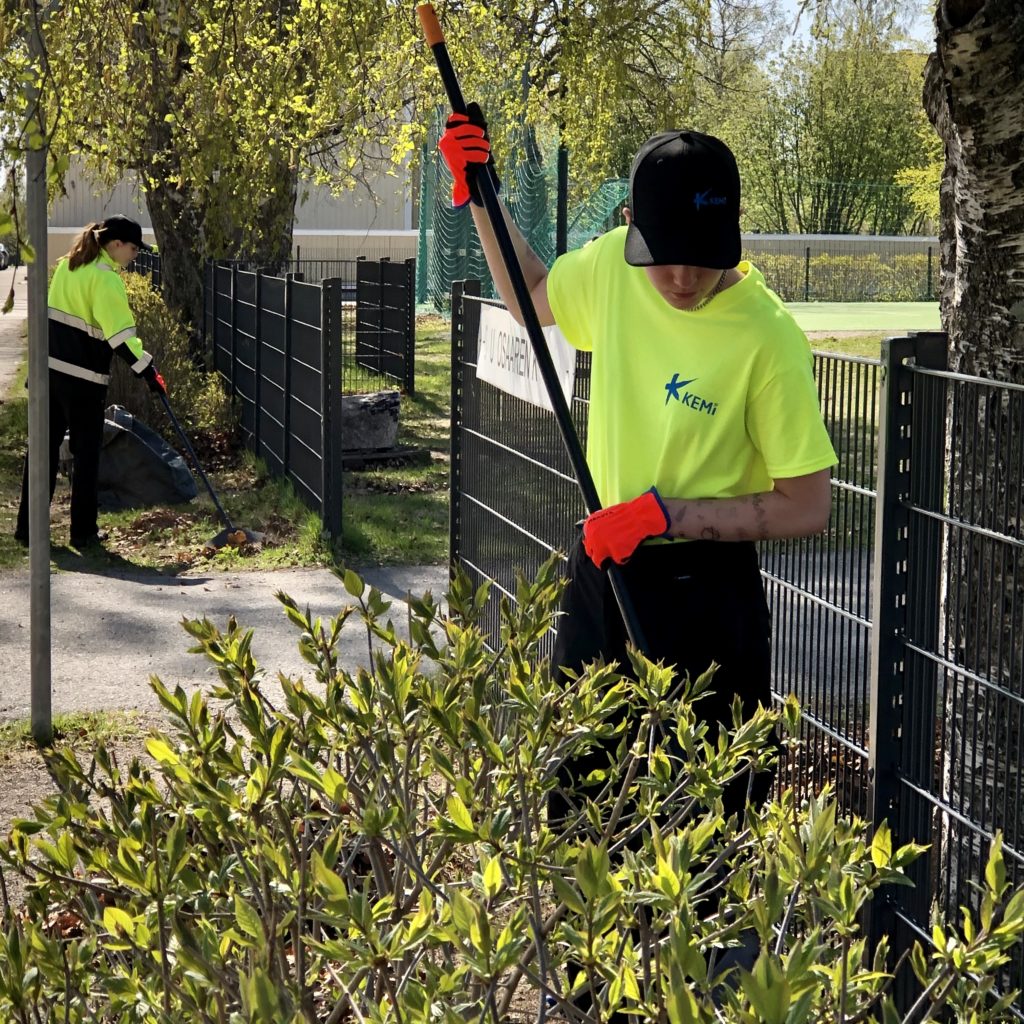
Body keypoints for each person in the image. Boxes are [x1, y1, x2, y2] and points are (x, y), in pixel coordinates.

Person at [438, 113, 839, 818]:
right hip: (604, 571)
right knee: (577, 796)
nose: (683, 276)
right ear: (631, 227)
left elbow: (806, 504)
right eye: (663, 253)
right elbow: (530, 297)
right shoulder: (610, 269)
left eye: (702, 254)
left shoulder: (768, 337)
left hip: (710, 597)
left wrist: (666, 516)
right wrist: (483, 194)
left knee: (706, 816)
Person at [15, 214, 166, 550]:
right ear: (115, 244)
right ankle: (83, 534)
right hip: (83, 381)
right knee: (86, 457)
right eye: (132, 248)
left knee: (42, 451)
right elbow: (122, 338)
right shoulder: (106, 279)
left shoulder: (69, 266)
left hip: (47, 374)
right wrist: (149, 374)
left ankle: (28, 530)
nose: (134, 255)